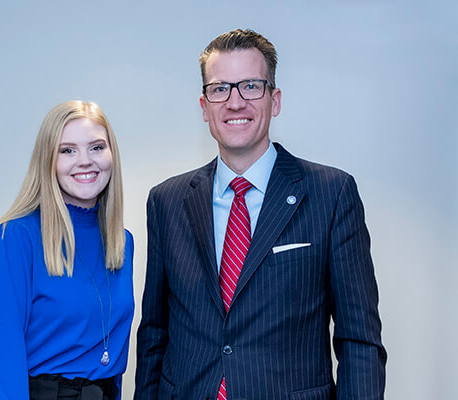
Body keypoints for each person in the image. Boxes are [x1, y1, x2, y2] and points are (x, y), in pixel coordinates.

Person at [135, 29, 386, 399]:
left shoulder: (331, 194)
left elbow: (359, 340)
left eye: (251, 86)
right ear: (205, 107)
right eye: (220, 89)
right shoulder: (166, 201)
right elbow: (155, 333)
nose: (235, 102)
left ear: (275, 99)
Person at [0, 100, 134, 400]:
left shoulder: (121, 243)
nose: (85, 161)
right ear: (48, 160)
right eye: (67, 150)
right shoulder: (13, 239)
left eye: (97, 147)